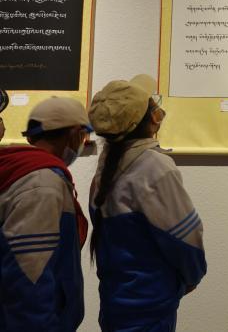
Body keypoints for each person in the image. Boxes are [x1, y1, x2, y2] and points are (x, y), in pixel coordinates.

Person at [88, 74, 206, 331]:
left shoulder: (105, 166)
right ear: (151, 119)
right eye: (155, 108)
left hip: (114, 303)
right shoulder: (155, 166)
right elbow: (186, 237)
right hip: (149, 306)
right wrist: (192, 276)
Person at [0, 96, 91, 331]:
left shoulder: (21, 169)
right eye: (83, 135)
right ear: (74, 134)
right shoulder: (43, 185)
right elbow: (30, 276)